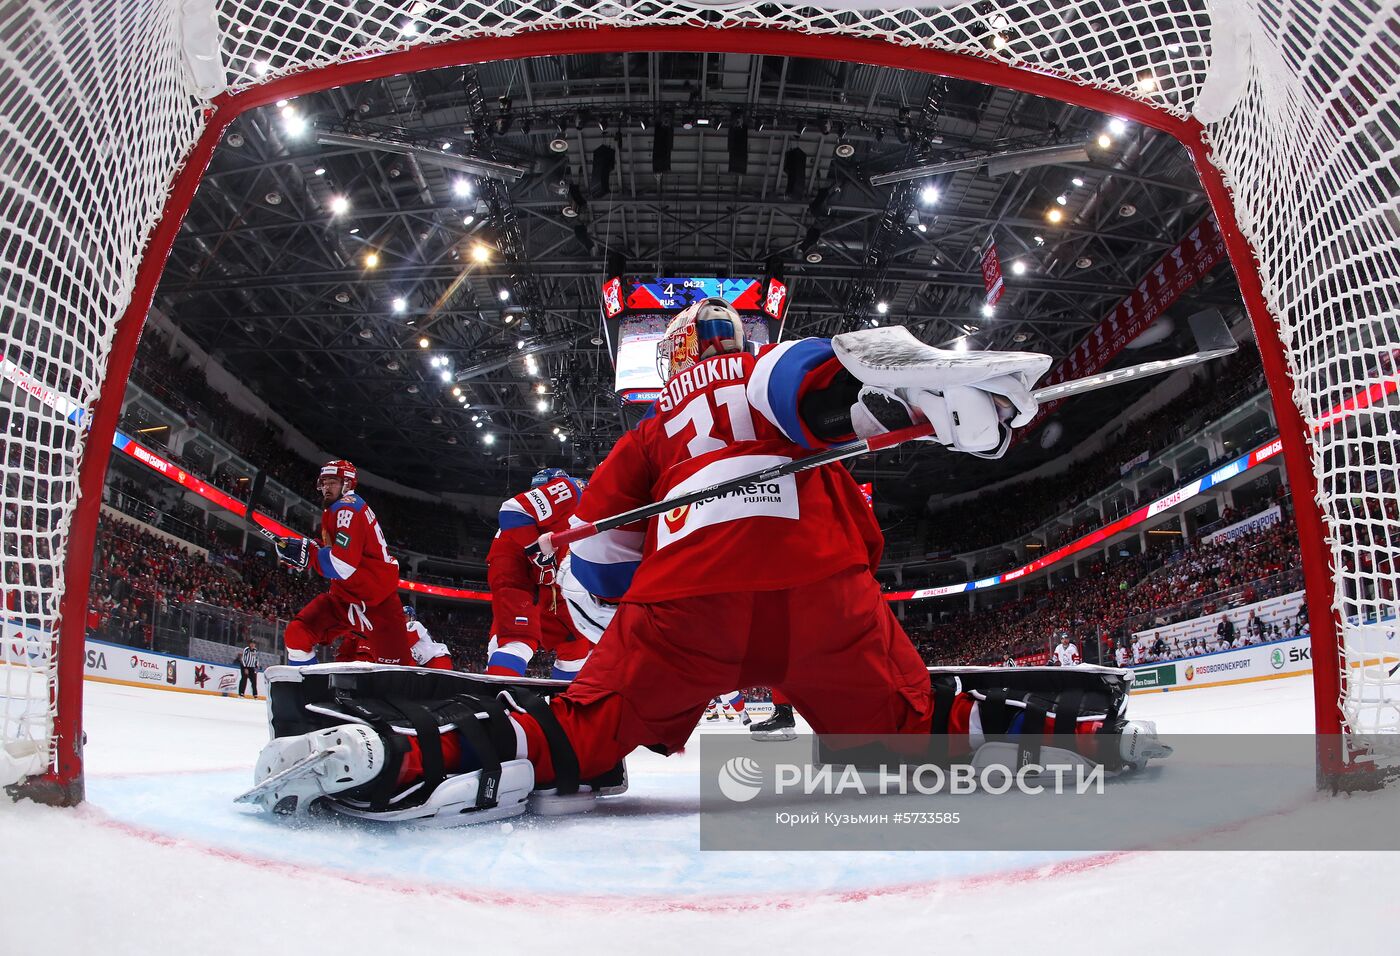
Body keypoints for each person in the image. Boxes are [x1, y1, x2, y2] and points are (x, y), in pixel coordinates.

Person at [250, 305, 1168, 822]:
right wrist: (893, 393)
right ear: (741, 345)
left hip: (686, 610)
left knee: (571, 739)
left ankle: (393, 757)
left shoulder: (652, 430)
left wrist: (622, 634)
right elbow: (808, 390)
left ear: (674, 359)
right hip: (822, 600)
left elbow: (599, 557)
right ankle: (1087, 744)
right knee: (921, 721)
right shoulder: (769, 375)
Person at [273, 460, 413, 666]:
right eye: (324, 483)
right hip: (344, 598)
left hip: (378, 603)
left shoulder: (348, 509)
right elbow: (339, 550)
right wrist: (308, 547)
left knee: (395, 676)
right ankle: (309, 690)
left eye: (333, 482)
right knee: (297, 634)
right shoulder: (336, 509)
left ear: (347, 484)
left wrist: (310, 555)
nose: (326, 488)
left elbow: (342, 565)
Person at [483, 467, 594, 681]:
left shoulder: (557, 517)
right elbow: (512, 510)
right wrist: (535, 550)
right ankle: (498, 700)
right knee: (518, 640)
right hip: (519, 563)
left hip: (550, 580)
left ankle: (564, 705)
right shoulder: (573, 488)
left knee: (576, 645)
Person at [403, 605, 453, 670]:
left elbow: (404, 646)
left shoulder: (414, 624)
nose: (402, 619)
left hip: (438, 658)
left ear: (412, 617)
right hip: (428, 662)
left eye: (405, 616)